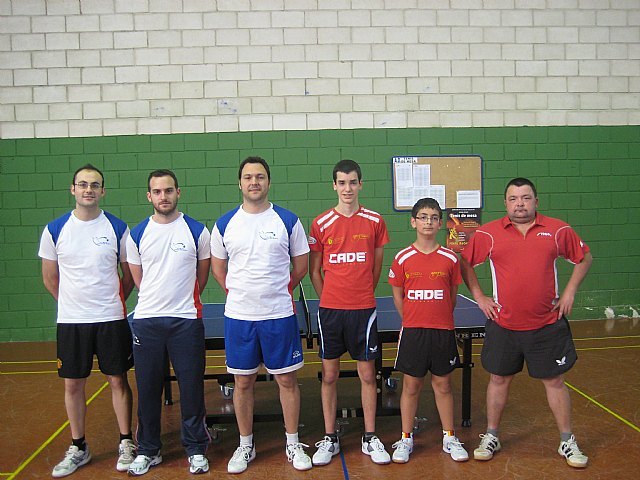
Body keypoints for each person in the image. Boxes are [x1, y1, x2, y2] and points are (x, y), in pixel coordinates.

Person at [460, 177, 593, 468]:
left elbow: (584, 258)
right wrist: (479, 296)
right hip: (503, 324)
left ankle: (567, 440)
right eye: (513, 198)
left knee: (554, 381)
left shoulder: (558, 230)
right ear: (505, 203)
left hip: (546, 324)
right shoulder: (488, 234)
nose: (519, 204)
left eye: (525, 198)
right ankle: (491, 435)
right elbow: (465, 262)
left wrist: (569, 292)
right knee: (498, 379)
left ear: (536, 201)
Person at [210, 156, 312, 474]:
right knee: (242, 383)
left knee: (287, 380)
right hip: (240, 317)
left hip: (279, 315)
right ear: (239, 183)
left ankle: (292, 442)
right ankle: (246, 444)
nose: (254, 182)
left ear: (268, 182)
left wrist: (279, 289)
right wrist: (240, 293)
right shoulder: (224, 224)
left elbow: (301, 265)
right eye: (248, 177)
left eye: (260, 177)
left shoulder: (287, 220)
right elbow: (218, 269)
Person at [39, 164, 136, 477]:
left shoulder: (118, 228)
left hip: (111, 318)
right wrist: (73, 304)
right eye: (83, 184)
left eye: (95, 185)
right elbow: (50, 278)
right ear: (73, 189)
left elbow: (128, 276)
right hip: (71, 322)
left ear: (103, 191)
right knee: (73, 385)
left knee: (118, 380)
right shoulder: (55, 230)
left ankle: (126, 442)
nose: (88, 189)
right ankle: (78, 446)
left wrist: (110, 301)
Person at [125, 169, 211, 476]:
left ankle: (196, 448)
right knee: (148, 390)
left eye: (169, 190)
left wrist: (181, 302)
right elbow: (139, 280)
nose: (164, 196)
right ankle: (148, 449)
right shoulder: (136, 234)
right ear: (149, 196)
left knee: (191, 389)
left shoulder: (197, 231)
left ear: (178, 193)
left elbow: (201, 276)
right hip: (147, 323)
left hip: (186, 321)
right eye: (158, 192)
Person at [308, 159, 391, 466]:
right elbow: (314, 271)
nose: (347, 188)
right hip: (331, 311)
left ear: (360, 185)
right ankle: (330, 437)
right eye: (342, 183)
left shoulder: (375, 220)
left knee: (367, 374)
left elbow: (376, 266)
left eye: (352, 182)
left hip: (363, 310)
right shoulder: (320, 223)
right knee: (329, 375)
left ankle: (370, 437)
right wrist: (329, 298)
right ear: (334, 185)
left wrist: (361, 293)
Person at [387, 198, 469, 464]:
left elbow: (452, 296)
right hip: (413, 332)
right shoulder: (402, 258)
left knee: (443, 385)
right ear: (413, 222)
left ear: (440, 223)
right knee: (411, 385)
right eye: (423, 217)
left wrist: (438, 317)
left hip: (442, 330)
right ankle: (406, 438)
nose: (428, 222)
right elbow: (398, 296)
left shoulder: (450, 258)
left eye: (434, 217)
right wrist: (412, 319)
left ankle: (449, 437)